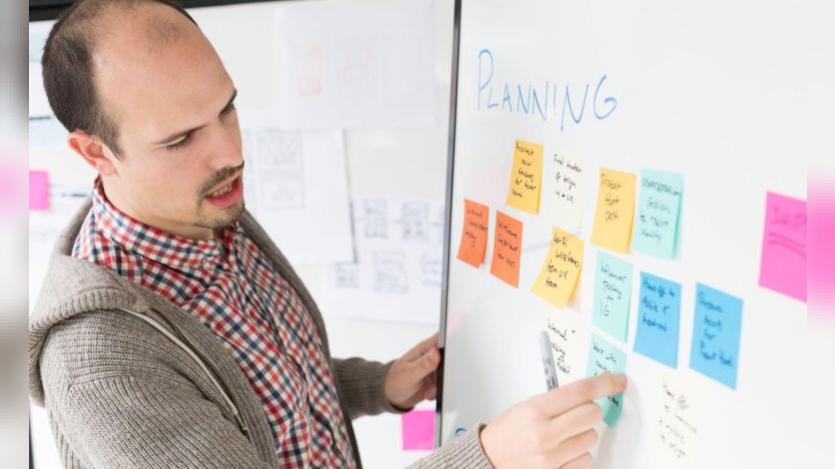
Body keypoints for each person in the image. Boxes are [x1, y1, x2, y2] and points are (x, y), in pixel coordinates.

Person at [27, 0, 627, 467]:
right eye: (180, 139)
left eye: (227, 109)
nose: (230, 152)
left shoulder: (201, 209)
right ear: (94, 152)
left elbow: (261, 390)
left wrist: (378, 384)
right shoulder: (102, 367)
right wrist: (489, 458)